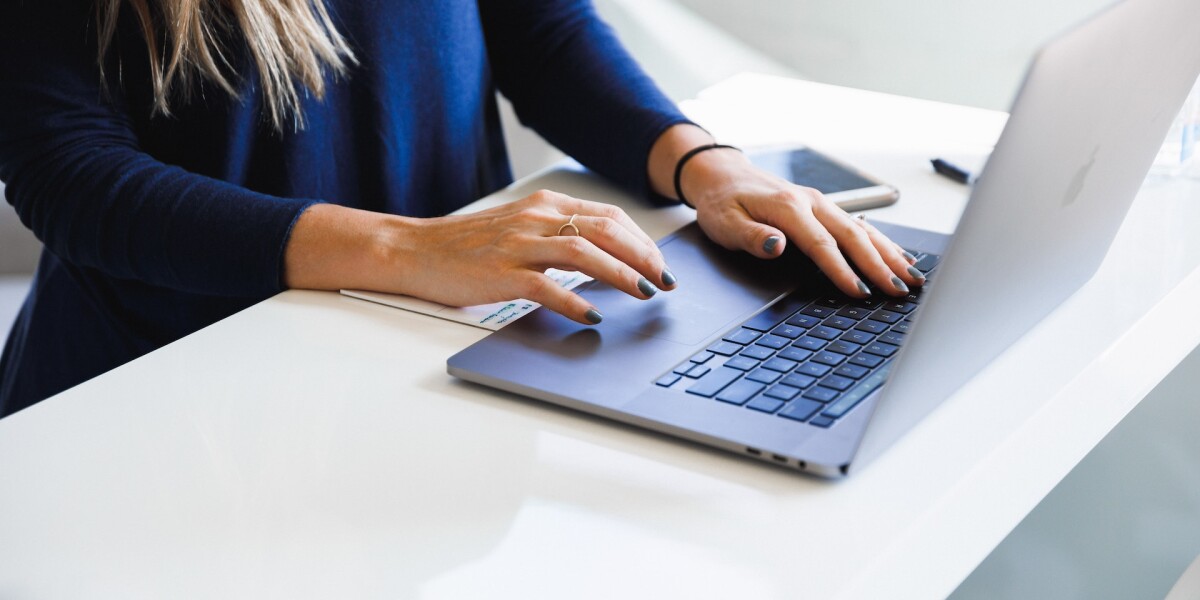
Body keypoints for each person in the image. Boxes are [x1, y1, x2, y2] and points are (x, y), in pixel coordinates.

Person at [0, 0, 924, 416]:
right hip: (172, 393)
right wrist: (408, 249)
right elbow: (67, 171)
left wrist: (702, 164)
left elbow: (538, 26)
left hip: (439, 345)